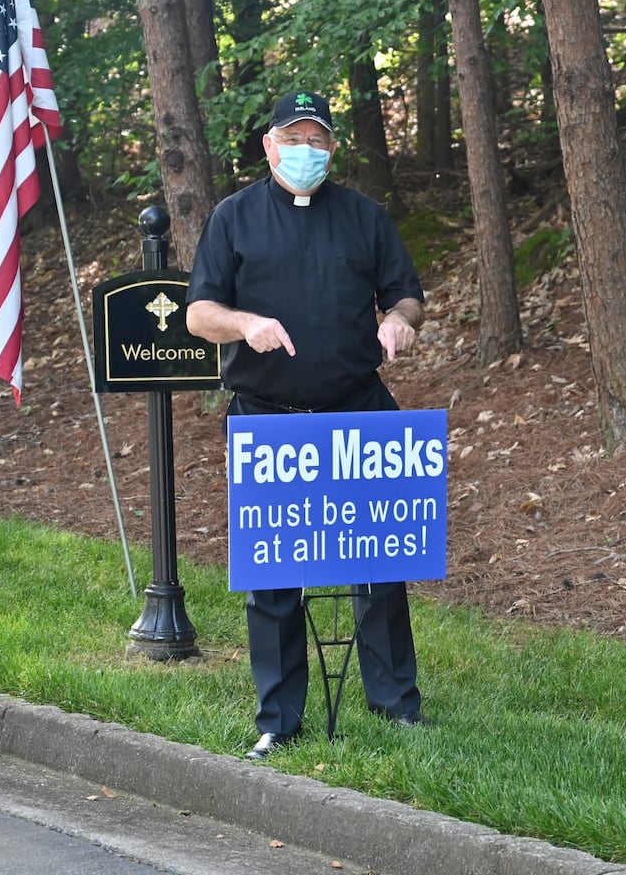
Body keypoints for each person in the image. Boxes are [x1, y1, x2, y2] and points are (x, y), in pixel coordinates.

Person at [186, 90, 427, 761]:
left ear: (331, 148)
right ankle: (278, 717)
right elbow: (198, 313)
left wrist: (400, 319)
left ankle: (395, 703)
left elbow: (406, 290)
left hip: (358, 409)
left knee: (381, 562)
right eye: (294, 138)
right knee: (274, 574)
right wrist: (244, 324)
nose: (306, 151)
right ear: (268, 146)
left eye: (317, 140)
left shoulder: (363, 217)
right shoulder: (233, 219)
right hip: (269, 419)